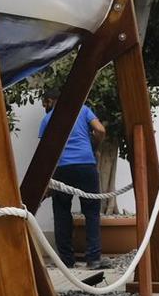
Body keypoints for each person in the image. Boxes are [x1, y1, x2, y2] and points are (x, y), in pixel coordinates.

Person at [39, 92, 108, 269]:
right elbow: (100, 130)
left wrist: (48, 179)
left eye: (45, 102)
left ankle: (66, 261)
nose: (44, 106)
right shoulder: (83, 110)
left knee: (62, 213)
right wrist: (93, 146)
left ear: (51, 101)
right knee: (92, 212)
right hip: (86, 165)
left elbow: (45, 151)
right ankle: (93, 259)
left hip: (62, 169)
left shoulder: (47, 119)